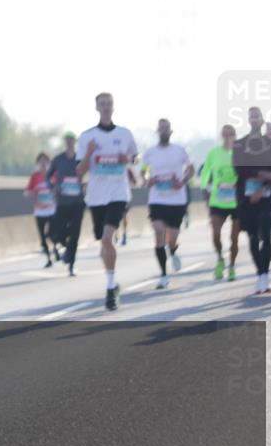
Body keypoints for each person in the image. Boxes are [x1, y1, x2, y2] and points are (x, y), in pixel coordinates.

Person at [76, 93, 138, 311]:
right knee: (103, 241)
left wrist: (128, 160)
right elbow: (79, 171)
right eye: (102, 104)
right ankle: (112, 279)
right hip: (96, 196)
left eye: (109, 104)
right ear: (96, 107)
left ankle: (111, 288)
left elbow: (135, 157)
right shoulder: (86, 137)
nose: (105, 107)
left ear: (113, 107)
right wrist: (90, 153)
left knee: (107, 239)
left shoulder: (124, 134)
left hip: (118, 193)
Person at [233, 107, 271, 295]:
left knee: (266, 231)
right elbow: (239, 169)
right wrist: (262, 174)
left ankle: (265, 276)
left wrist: (263, 185)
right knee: (253, 237)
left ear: (262, 120)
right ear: (248, 121)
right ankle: (259, 274)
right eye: (251, 117)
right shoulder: (240, 144)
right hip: (246, 198)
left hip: (268, 196)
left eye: (257, 117)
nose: (254, 120)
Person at [140, 119, 194, 289]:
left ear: (170, 132)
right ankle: (164, 275)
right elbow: (144, 171)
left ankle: (173, 250)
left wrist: (183, 180)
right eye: (160, 129)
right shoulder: (150, 152)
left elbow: (191, 168)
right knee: (159, 231)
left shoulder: (180, 150)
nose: (163, 131)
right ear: (157, 132)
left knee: (172, 236)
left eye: (166, 129)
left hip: (177, 200)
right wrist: (148, 179)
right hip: (157, 199)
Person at [200, 124, 242, 280]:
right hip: (217, 200)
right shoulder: (214, 153)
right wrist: (205, 188)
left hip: (236, 201)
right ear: (221, 136)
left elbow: (246, 173)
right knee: (216, 234)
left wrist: (238, 185)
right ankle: (220, 259)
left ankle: (232, 266)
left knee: (234, 238)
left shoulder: (240, 154)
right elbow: (205, 172)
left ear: (235, 136)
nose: (228, 137)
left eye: (231, 134)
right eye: (225, 134)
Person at [46, 131, 85, 276]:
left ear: (75, 142)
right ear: (65, 142)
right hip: (62, 202)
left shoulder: (80, 159)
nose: (69, 142)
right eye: (67, 139)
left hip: (78, 202)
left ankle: (71, 264)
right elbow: (47, 177)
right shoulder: (58, 159)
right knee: (54, 232)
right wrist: (52, 187)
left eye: (71, 140)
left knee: (75, 233)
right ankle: (66, 248)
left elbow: (91, 171)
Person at [25, 152, 61, 268]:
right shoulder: (35, 177)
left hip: (52, 209)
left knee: (52, 233)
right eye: (41, 162)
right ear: (38, 164)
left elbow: (60, 187)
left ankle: (55, 249)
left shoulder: (54, 175)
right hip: (40, 211)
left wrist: (56, 191)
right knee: (42, 237)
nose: (43, 164)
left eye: (45, 161)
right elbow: (28, 191)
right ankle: (48, 259)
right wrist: (33, 192)